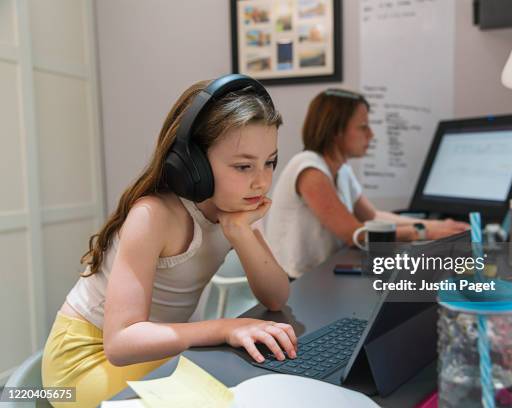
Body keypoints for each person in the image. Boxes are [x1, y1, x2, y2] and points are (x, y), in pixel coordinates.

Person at [42, 75, 297, 407]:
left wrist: (239, 232)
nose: (261, 181)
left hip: (148, 349)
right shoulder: (154, 215)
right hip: (84, 363)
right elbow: (120, 343)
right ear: (194, 165)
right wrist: (223, 328)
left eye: (270, 162)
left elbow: (276, 296)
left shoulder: (233, 208)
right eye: (243, 166)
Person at [266, 89, 469, 279]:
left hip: (324, 275)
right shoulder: (309, 169)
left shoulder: (342, 170)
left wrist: (435, 225)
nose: (371, 135)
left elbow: (373, 217)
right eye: (363, 127)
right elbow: (355, 234)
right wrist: (423, 233)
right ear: (336, 130)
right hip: (295, 283)